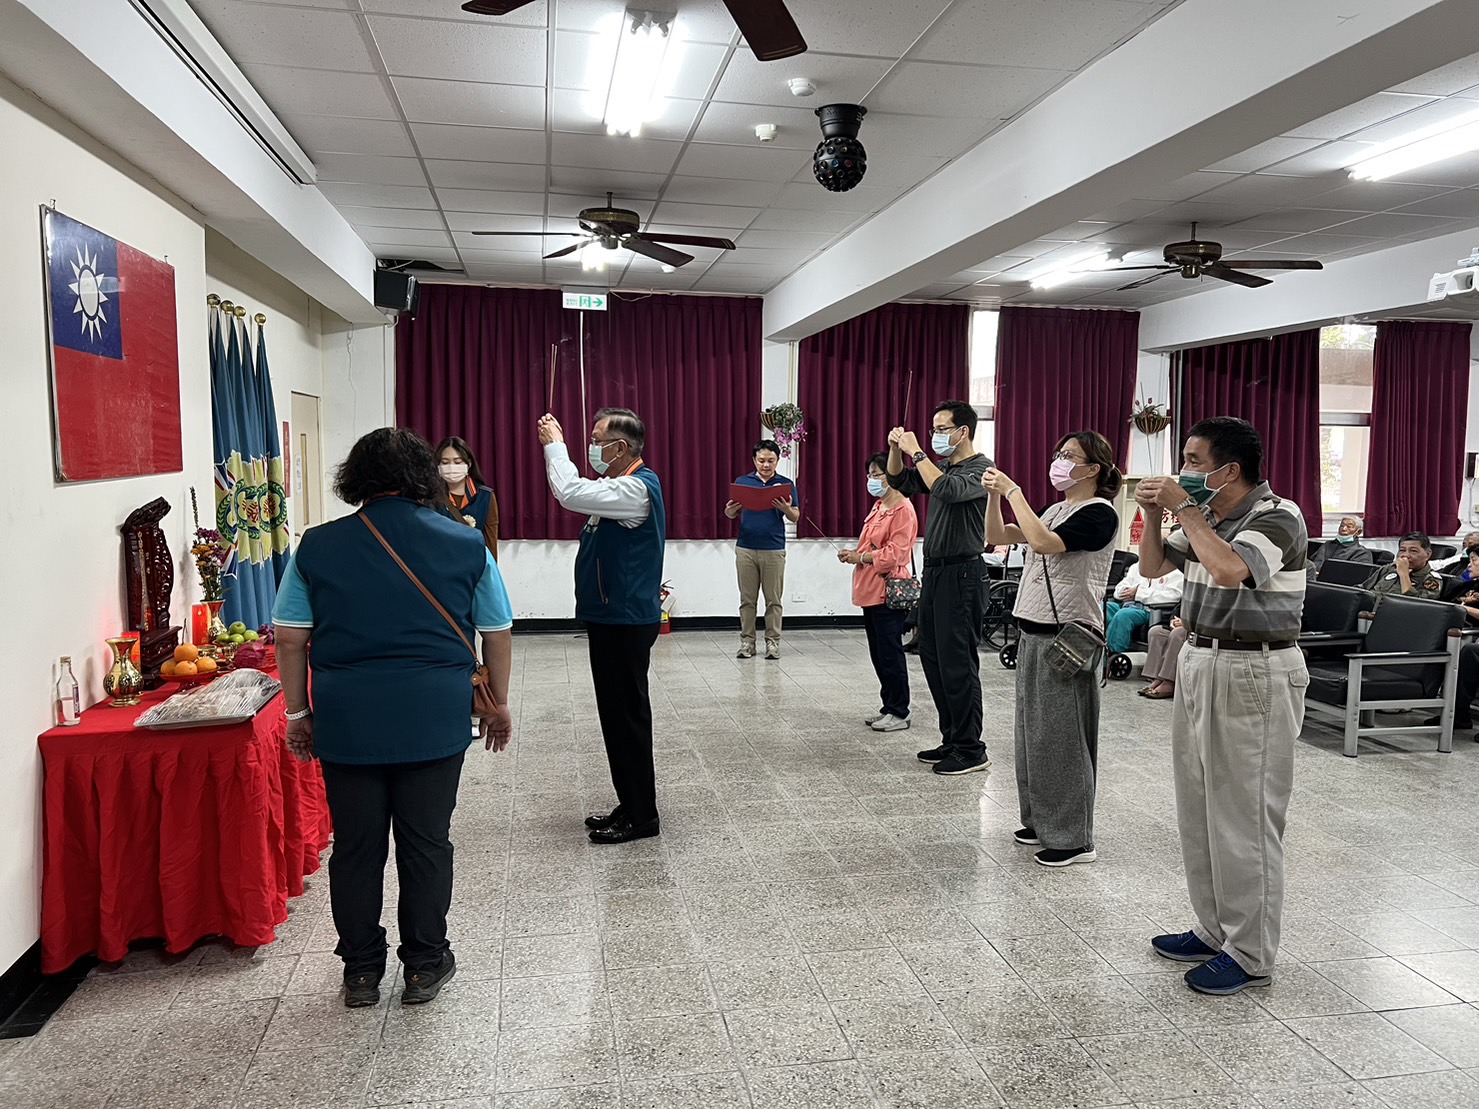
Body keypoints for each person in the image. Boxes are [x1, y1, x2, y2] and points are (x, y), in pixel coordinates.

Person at [272, 427, 514, 1009]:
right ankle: (425, 964)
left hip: (348, 716)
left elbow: (288, 637)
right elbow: (497, 630)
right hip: (434, 713)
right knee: (426, 843)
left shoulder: (318, 545)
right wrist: (498, 702)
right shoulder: (463, 542)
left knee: (355, 847)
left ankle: (360, 970)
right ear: (424, 476)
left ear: (355, 479)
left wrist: (298, 712)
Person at [1135, 416, 1309, 996]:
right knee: (1200, 805)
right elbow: (1153, 567)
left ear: (1228, 469)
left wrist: (1183, 508)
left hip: (1256, 668)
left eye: (1194, 458)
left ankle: (1252, 952)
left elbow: (1232, 571)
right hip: (1201, 659)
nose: (1184, 467)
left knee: (1246, 815)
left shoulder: (1278, 516)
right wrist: (1153, 516)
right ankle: (1214, 930)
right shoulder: (1208, 516)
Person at [983, 431, 1120, 867]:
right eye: (1058, 452)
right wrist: (993, 497)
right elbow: (998, 534)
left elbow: (1044, 543)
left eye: (1068, 456)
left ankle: (1074, 838)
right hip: (1033, 633)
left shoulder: (1100, 514)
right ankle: (1042, 820)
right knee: (1033, 735)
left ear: (1093, 469)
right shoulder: (1058, 508)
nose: (1059, 461)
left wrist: (1015, 491)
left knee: (1062, 738)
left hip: (1067, 636)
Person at [539, 408, 666, 844]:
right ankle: (631, 802)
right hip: (613, 618)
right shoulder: (617, 485)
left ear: (620, 448)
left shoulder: (634, 488)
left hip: (624, 621)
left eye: (597, 439)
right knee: (617, 717)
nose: (592, 446)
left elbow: (569, 492)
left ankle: (642, 816)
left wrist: (555, 444)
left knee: (625, 718)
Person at [886, 401, 993, 776]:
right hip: (936, 573)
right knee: (932, 657)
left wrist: (916, 450)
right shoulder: (944, 466)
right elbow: (899, 481)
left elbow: (946, 491)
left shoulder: (981, 468)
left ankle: (970, 748)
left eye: (942, 428)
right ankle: (952, 738)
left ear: (963, 431)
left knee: (958, 663)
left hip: (963, 574)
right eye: (932, 429)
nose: (934, 436)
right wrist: (896, 449)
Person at [838, 452, 919, 734]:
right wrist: (854, 555)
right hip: (869, 589)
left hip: (889, 591)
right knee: (878, 653)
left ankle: (900, 711)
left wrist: (860, 559)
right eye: (870, 474)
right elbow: (869, 546)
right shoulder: (879, 506)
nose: (872, 480)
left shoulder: (903, 510)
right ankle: (888, 706)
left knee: (890, 653)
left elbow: (894, 555)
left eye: (878, 474)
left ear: (894, 475)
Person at [724, 440, 799, 660]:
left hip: (773, 549)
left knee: (773, 600)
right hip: (746, 548)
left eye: (770, 460)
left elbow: (796, 517)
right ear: (754, 460)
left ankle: (773, 644)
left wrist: (786, 508)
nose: (766, 465)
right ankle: (747, 643)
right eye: (761, 460)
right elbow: (730, 514)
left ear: (777, 460)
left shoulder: (785, 484)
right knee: (747, 600)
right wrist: (729, 510)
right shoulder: (743, 482)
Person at [434, 436, 499, 559]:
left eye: (458, 462)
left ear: (468, 464)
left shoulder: (485, 497)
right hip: (440, 565)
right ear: (438, 466)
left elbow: (490, 545)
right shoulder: (430, 497)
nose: (451, 467)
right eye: (445, 462)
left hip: (473, 565)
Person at [1105, 562, 1184, 654]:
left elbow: (1173, 596)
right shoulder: (1136, 567)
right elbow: (1118, 590)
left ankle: (1113, 655)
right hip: (1128, 604)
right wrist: (1127, 592)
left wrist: (1138, 593)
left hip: (1149, 610)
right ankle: (1098, 649)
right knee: (1105, 607)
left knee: (1123, 615)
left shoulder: (1175, 571)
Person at [1367, 533, 1444, 601]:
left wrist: (1404, 574)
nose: (1405, 555)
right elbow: (1362, 590)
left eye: (1413, 551)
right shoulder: (1388, 569)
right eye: (1402, 550)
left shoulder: (1431, 580)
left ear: (1427, 554)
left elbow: (1417, 607)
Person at [1307, 515, 1371, 579]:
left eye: (1349, 527)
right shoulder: (1327, 545)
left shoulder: (1362, 553)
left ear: (1358, 532)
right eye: (1342, 525)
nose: (1343, 529)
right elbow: (1312, 563)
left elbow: (1354, 577)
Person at [1141, 617, 1189, 700]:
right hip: (1182, 623)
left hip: (1194, 627)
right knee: (1156, 632)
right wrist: (1173, 621)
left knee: (1177, 634)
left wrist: (1187, 623)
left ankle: (1169, 682)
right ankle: (1157, 679)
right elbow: (1177, 608)